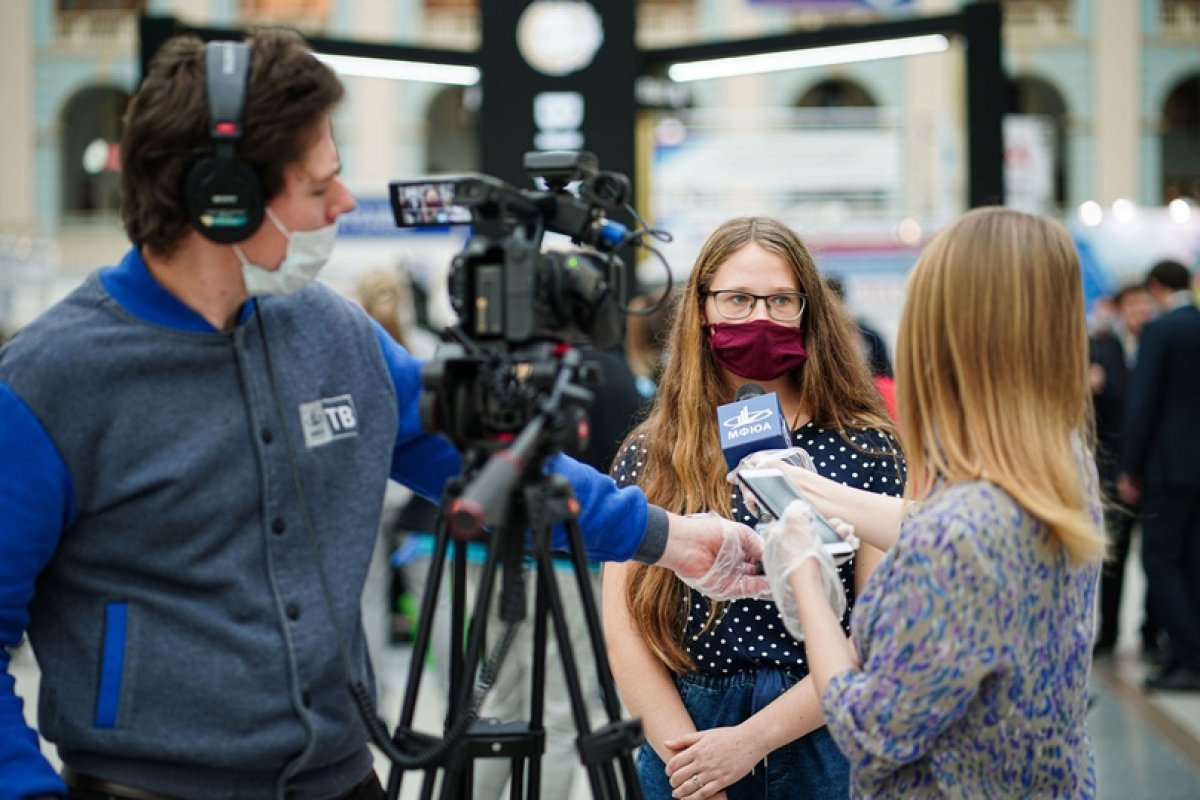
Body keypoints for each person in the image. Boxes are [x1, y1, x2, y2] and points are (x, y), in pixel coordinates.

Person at [0, 31, 766, 800]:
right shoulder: (52, 382)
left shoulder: (334, 333)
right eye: (319, 184)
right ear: (223, 200)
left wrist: (669, 539)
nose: (342, 202)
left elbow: (484, 453)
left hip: (342, 778)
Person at [759, 207, 1106, 798]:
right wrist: (810, 489)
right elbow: (940, 529)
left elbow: (868, 728)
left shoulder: (958, 534)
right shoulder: (1062, 467)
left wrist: (806, 582)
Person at [602, 216, 905, 799]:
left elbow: (874, 630)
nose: (759, 316)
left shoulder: (865, 444)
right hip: (686, 731)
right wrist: (689, 764)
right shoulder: (654, 450)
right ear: (703, 308)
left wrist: (750, 741)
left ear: (808, 311)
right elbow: (624, 626)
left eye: (780, 300)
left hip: (821, 726)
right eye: (738, 299)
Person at [1118, 259, 1200, 692]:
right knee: (1191, 560)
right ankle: (1185, 652)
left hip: (1167, 469)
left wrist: (1130, 466)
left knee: (1159, 559)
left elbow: (1143, 404)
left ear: (1156, 287)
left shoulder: (1161, 330)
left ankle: (1189, 655)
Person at [1088, 282, 1157, 658]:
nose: (1139, 313)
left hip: (1155, 468)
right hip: (1113, 468)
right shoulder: (1102, 348)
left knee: (1158, 557)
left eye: (1144, 305)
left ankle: (1153, 632)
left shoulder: (1159, 345)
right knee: (1113, 554)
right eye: (1131, 306)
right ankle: (1109, 631)